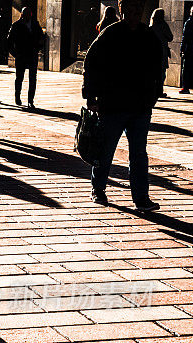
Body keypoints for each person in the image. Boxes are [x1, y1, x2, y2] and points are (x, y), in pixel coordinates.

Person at [83, 0, 163, 212]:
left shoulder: (149, 36)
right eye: (131, 9)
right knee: (106, 150)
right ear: (122, 10)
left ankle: (141, 198)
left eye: (139, 9)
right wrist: (91, 95)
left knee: (139, 154)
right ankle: (98, 189)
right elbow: (90, 63)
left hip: (140, 105)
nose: (136, 13)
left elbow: (159, 66)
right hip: (113, 104)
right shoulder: (110, 33)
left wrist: (154, 94)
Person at [7, 6, 44, 109]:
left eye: (29, 14)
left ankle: (30, 101)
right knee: (19, 77)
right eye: (25, 14)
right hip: (21, 55)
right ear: (22, 14)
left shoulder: (35, 24)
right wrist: (15, 53)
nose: (28, 16)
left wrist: (38, 48)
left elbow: (41, 37)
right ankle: (17, 96)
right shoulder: (16, 25)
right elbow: (9, 41)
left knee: (33, 79)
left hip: (32, 55)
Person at [150, 8, 173, 97]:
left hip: (152, 53)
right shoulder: (164, 25)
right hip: (162, 52)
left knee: (153, 73)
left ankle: (153, 91)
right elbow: (170, 37)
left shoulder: (151, 27)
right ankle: (159, 91)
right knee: (161, 74)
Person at [183, 9, 193, 93]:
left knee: (186, 68)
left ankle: (186, 87)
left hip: (189, 48)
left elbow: (185, 37)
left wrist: (182, 48)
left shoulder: (189, 22)